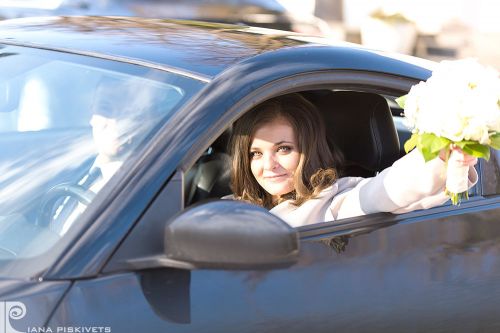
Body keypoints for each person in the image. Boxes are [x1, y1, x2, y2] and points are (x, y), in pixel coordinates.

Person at [228, 93, 478, 228]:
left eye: (283, 149)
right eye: (256, 153)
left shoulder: (331, 201)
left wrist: (443, 157)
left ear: (310, 149)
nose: (268, 165)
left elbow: (385, 189)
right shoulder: (233, 204)